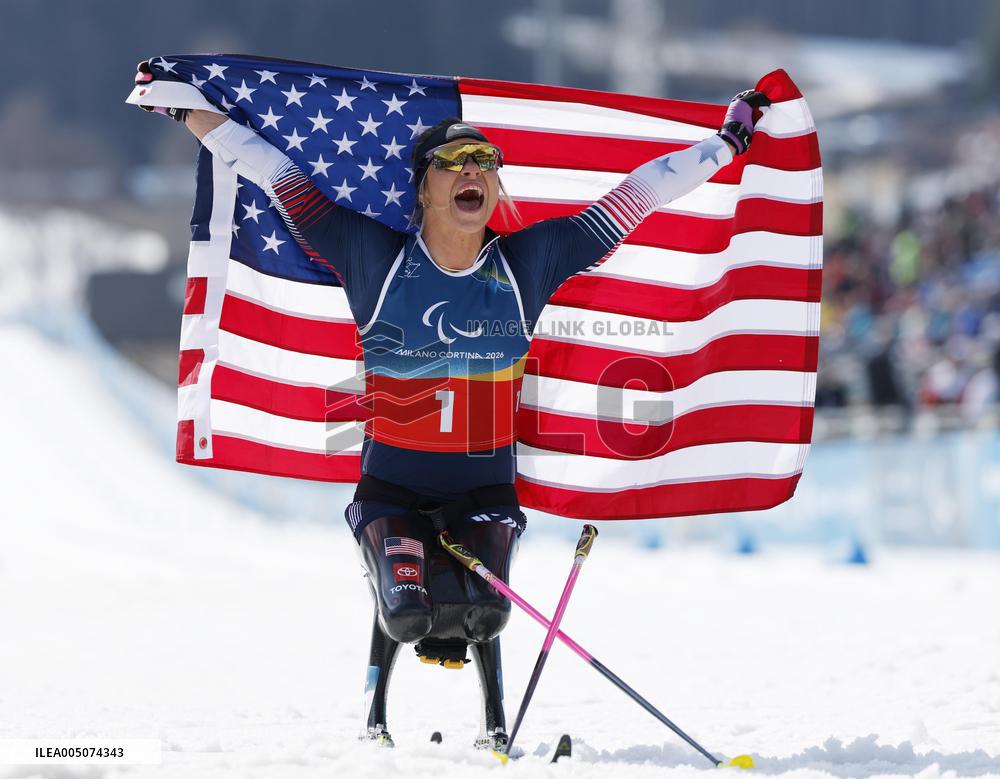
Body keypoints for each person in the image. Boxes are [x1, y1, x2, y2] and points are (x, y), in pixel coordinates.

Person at [136, 61, 768, 749]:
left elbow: (638, 195)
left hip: (485, 485)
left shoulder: (529, 261)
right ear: (425, 188)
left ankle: (493, 724)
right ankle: (375, 718)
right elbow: (271, 170)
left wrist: (727, 142)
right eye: (454, 162)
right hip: (390, 488)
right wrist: (187, 111)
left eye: (485, 162)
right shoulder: (371, 255)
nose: (473, 172)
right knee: (408, 613)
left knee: (484, 613)